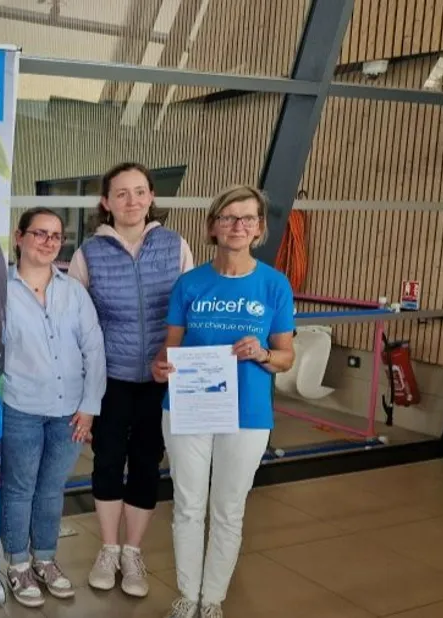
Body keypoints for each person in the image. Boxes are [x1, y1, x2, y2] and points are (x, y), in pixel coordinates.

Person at [152, 185, 296, 618]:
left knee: (229, 509)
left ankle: (212, 599)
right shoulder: (190, 283)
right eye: (229, 218)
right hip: (189, 406)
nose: (238, 226)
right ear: (213, 226)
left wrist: (264, 354)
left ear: (258, 229)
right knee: (188, 505)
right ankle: (187, 595)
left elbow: (286, 357)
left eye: (247, 218)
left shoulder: (274, 285)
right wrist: (161, 368)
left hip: (248, 414)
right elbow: (169, 351)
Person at [68, 162, 194, 597]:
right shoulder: (89, 253)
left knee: (145, 463)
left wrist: (177, 361)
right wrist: (82, 391)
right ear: (106, 203)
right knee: (107, 461)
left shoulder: (175, 245)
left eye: (139, 192)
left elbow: (188, 312)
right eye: (121, 193)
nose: (132, 201)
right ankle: (107, 546)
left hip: (162, 377)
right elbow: (77, 324)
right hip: (110, 379)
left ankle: (132, 551)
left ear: (152, 196)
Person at [0, 207, 106, 608]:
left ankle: (45, 559)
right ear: (19, 237)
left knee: (50, 489)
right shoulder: (0, 290)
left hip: (70, 410)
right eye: (40, 233)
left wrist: (90, 406)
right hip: (20, 407)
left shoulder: (73, 292)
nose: (48, 242)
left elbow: (93, 349)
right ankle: (18, 563)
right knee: (19, 488)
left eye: (56, 236)